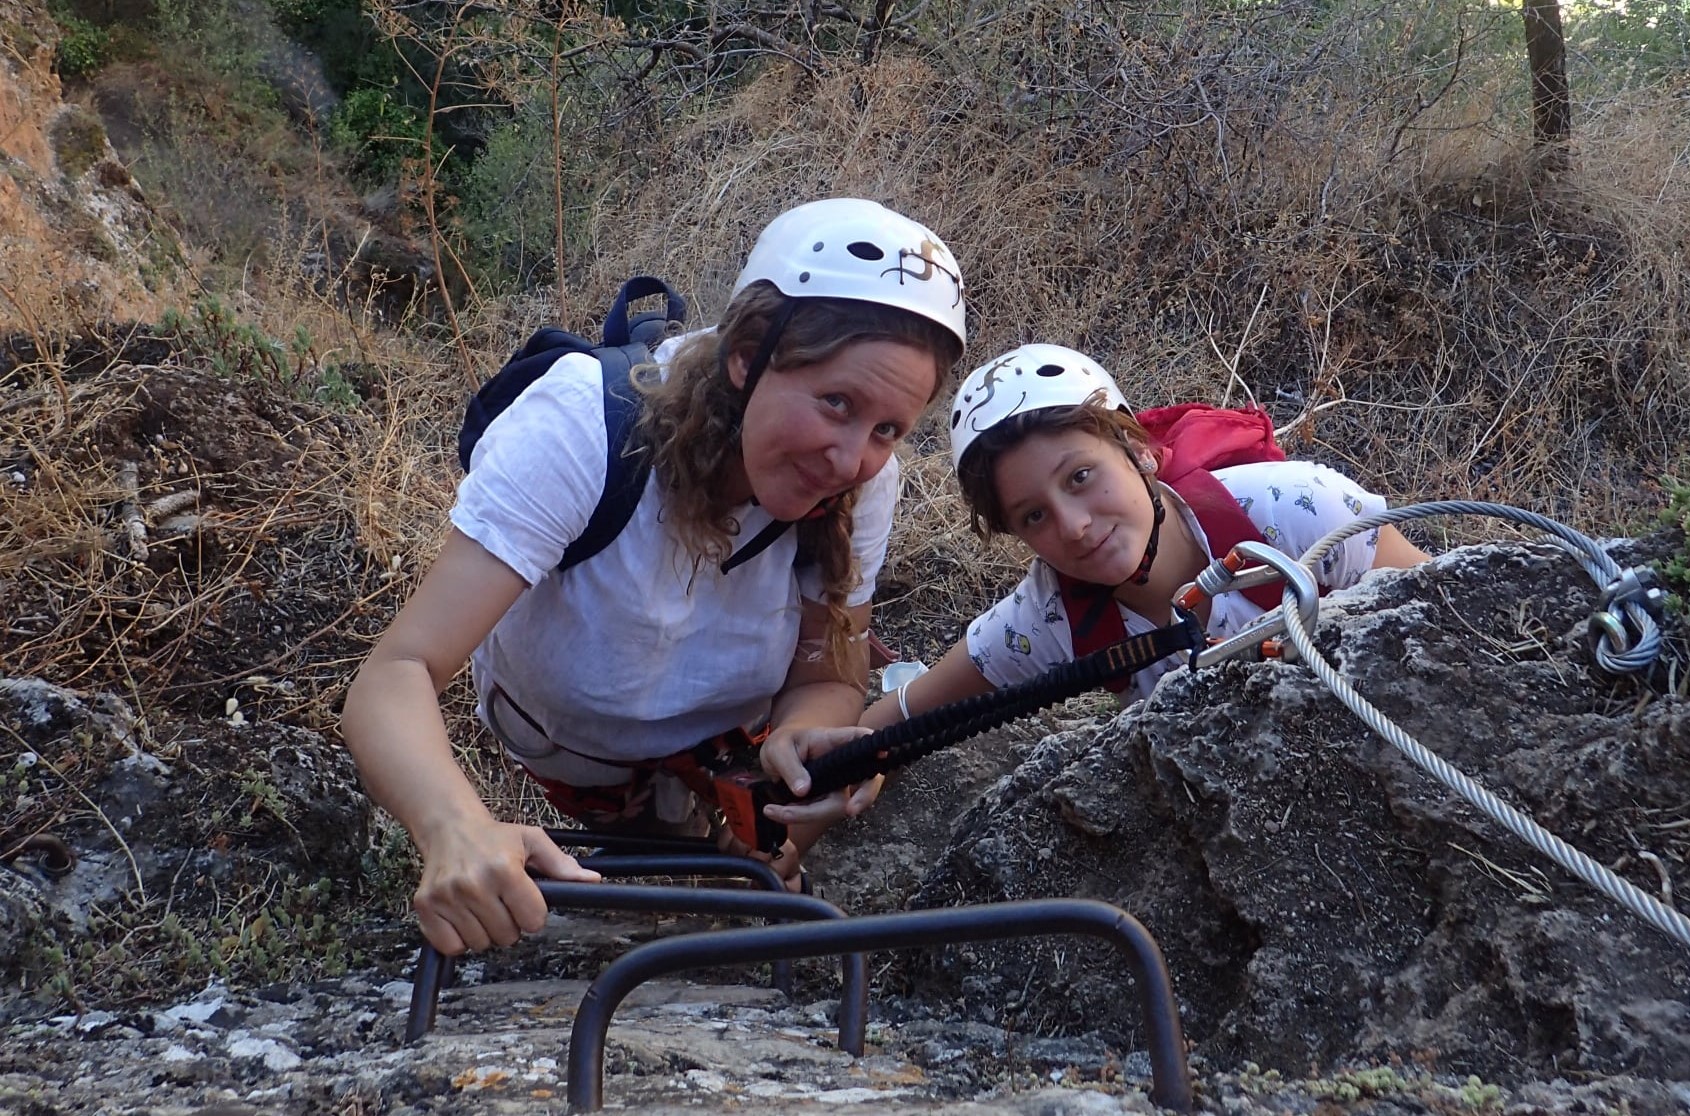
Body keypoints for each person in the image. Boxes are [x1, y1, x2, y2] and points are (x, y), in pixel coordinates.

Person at [341, 199, 967, 955]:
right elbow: (396, 673)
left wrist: (802, 739)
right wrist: (454, 827)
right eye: (836, 402)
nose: (850, 459)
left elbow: (827, 665)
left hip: (729, 733)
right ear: (747, 356)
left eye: (887, 429)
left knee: (729, 875)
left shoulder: (866, 483)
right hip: (576, 744)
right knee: (647, 863)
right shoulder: (582, 424)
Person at [859, 343, 1428, 730]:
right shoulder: (1051, 617)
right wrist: (853, 757)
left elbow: (1442, 606)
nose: (1074, 526)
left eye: (1081, 477)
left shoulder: (1293, 510)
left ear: (1140, 453)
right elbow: (907, 714)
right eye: (1033, 516)